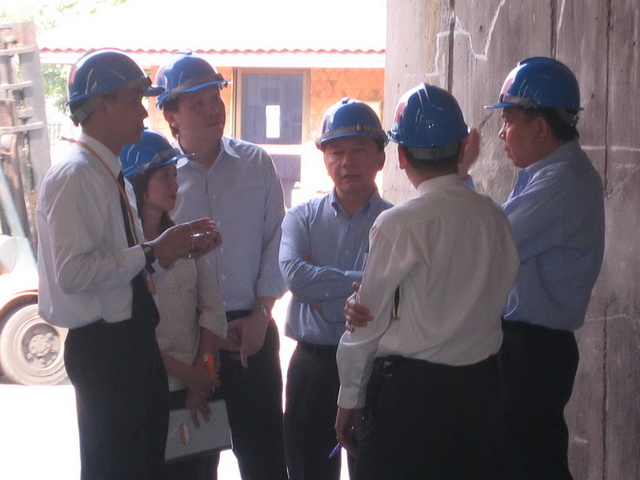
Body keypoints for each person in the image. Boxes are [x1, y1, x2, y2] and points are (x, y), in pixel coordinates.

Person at [37, 49, 218, 480]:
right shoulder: (76, 176)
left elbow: (118, 270)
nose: (143, 111)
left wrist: (169, 252)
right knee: (117, 468)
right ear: (102, 106)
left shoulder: (105, 172)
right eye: (135, 99)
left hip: (129, 346)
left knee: (141, 466)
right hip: (107, 350)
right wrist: (153, 251)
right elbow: (73, 273)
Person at [335, 83, 520, 480]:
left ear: (401, 156)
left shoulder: (399, 224)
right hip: (481, 392)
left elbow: (366, 323)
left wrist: (349, 396)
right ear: (461, 147)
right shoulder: (495, 217)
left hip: (412, 399)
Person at [154, 52, 288, 480]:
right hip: (192, 346)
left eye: (215, 98)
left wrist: (262, 314)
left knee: (265, 461)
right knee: (192, 467)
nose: (213, 109)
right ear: (171, 117)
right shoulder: (161, 180)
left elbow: (277, 240)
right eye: (198, 103)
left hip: (252, 336)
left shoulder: (256, 163)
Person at [474, 56, 604, 479]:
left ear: (541, 128)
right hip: (521, 345)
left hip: (533, 350)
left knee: (528, 464)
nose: (501, 132)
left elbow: (489, 243)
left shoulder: (562, 181)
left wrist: (457, 176)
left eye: (508, 121)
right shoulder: (543, 175)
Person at [279, 98, 392, 480]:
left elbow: (399, 288)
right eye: (336, 151)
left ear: (380, 158)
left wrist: (322, 294)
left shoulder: (398, 224)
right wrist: (366, 285)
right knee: (307, 469)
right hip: (313, 367)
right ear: (324, 159)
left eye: (359, 150)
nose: (347, 161)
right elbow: (295, 276)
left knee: (375, 469)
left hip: (376, 367)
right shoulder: (301, 218)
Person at [120, 129, 227, 480]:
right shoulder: (125, 254)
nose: (174, 184)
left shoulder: (185, 238)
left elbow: (213, 309)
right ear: (137, 183)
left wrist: (202, 373)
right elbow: (133, 333)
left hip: (198, 387)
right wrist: (189, 375)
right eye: (163, 176)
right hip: (151, 392)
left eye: (174, 174)